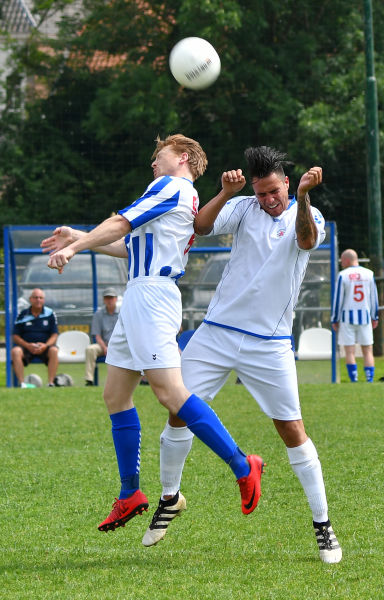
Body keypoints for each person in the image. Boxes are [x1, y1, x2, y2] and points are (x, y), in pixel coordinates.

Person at [44, 134, 264, 535]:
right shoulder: (179, 197)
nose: (152, 162)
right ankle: (130, 493)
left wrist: (75, 249)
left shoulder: (172, 186)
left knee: (170, 394)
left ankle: (241, 464)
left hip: (151, 296)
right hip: (141, 294)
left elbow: (120, 222)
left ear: (181, 158)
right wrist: (78, 237)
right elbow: (130, 245)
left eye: (157, 155)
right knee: (115, 395)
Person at [142, 146, 342, 564]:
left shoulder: (309, 213)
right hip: (216, 333)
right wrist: (224, 192)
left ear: (287, 182)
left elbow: (306, 240)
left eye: (275, 191)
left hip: (268, 343)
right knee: (177, 409)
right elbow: (201, 223)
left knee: (291, 429)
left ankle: (323, 526)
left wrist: (304, 197)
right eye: (261, 192)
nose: (269, 200)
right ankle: (169, 498)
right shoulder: (245, 206)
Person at [331, 248, 379, 383]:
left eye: (342, 260)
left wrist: (335, 319)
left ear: (346, 260)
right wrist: (375, 316)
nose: (341, 263)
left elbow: (338, 299)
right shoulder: (369, 274)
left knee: (349, 350)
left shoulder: (342, 275)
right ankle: (369, 380)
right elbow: (373, 297)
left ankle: (354, 380)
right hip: (365, 316)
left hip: (347, 318)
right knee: (368, 349)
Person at [12, 288, 59, 387]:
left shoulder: (50, 313)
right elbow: (15, 336)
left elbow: (54, 335)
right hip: (27, 347)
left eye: (40, 298)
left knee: (54, 350)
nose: (38, 300)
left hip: (45, 347)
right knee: (15, 351)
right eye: (35, 297)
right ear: (30, 299)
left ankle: (50, 383)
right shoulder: (22, 314)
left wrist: (45, 346)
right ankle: (22, 384)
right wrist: (27, 345)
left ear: (44, 300)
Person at [85, 287, 119, 386]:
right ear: (104, 300)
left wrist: (114, 347)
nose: (109, 300)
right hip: (103, 345)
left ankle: (141, 378)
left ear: (116, 299)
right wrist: (105, 347)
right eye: (107, 298)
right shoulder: (98, 314)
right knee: (90, 349)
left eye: (111, 298)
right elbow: (97, 335)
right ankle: (89, 380)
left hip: (118, 345)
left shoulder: (123, 313)